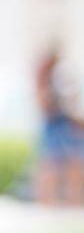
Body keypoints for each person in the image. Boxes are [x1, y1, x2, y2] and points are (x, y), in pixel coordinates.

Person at [35, 50, 84, 205]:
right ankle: (48, 202)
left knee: (73, 164)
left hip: (64, 125)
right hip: (55, 126)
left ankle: (74, 201)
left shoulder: (57, 82)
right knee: (51, 165)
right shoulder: (45, 85)